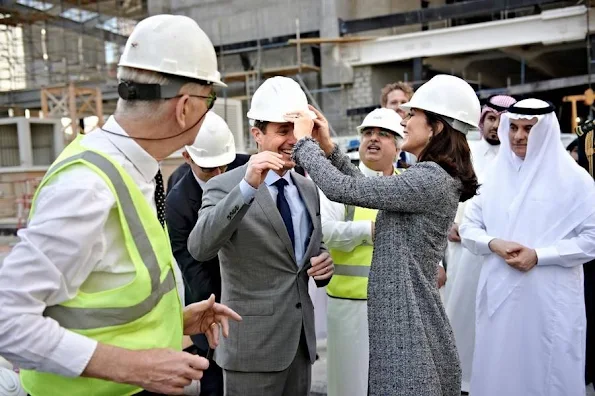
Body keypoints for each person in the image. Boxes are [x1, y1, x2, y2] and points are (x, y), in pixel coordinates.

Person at [0, 14, 241, 396]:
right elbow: (7, 318)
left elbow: (106, 296)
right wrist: (136, 368)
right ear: (184, 107)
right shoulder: (87, 186)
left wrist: (172, 322)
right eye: (209, 99)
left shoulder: (137, 171)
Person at [290, 74, 480, 396]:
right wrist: (329, 149)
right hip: (403, 312)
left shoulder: (430, 178)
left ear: (437, 127)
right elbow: (364, 189)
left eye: (413, 115)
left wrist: (304, 144)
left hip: (406, 316)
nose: (405, 120)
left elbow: (342, 189)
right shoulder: (429, 176)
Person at [188, 76, 334, 396]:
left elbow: (310, 249)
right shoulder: (227, 186)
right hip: (252, 350)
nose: (293, 140)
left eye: (298, 131)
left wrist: (324, 262)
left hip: (299, 347)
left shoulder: (308, 189)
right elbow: (200, 247)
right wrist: (248, 187)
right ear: (257, 134)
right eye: (283, 131)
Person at [459, 99, 595, 396]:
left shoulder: (575, 181)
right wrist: (493, 244)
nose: (519, 136)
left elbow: (591, 239)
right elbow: (469, 227)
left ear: (545, 132)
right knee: (498, 373)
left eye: (529, 129)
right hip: (498, 299)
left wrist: (539, 256)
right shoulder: (493, 175)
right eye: (515, 128)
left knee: (548, 375)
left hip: (550, 301)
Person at [165, 111, 249, 396]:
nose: (218, 175)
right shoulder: (177, 203)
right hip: (211, 310)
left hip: (257, 305)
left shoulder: (248, 167)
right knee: (214, 386)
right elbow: (193, 268)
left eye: (223, 166)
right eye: (208, 169)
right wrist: (222, 312)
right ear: (187, 157)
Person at [322, 108, 403, 396]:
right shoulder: (341, 183)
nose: (374, 138)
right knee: (348, 386)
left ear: (398, 144)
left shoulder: (409, 184)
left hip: (396, 306)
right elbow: (325, 231)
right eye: (368, 132)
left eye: (383, 134)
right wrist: (367, 231)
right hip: (349, 305)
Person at [441, 94, 516, 392]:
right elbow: (444, 196)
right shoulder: (465, 153)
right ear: (482, 120)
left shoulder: (520, 159)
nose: (497, 127)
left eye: (504, 120)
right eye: (491, 119)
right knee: (461, 319)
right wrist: (448, 223)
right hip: (463, 255)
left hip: (503, 256)